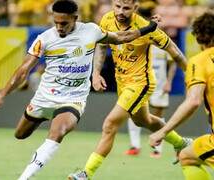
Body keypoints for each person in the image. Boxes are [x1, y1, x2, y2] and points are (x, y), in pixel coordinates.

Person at [0, 0, 158, 179]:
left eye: (64, 23)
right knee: (20, 134)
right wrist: (1, 96)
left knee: (57, 132)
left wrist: (149, 27)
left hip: (73, 99)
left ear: (75, 18)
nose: (59, 27)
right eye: (56, 22)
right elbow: (23, 71)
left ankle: (24, 177)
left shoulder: (91, 31)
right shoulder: (45, 39)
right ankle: (41, 117)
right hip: (44, 97)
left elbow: (121, 37)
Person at [68, 0, 191, 179]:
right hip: (122, 82)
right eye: (117, 6)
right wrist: (95, 73)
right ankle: (181, 143)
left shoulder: (147, 28)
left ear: (135, 8)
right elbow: (102, 46)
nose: (120, 12)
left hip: (141, 82)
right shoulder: (107, 20)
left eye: (126, 8)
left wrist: (194, 79)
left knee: (109, 124)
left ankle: (86, 173)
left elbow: (176, 53)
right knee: (145, 121)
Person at [149, 11, 214, 180]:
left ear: (199, 36)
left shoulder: (200, 61)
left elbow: (193, 101)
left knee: (186, 157)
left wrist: (163, 131)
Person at [124, 3, 177, 158]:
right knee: (133, 112)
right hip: (140, 83)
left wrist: (169, 81)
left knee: (157, 115)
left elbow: (173, 62)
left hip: (160, 85)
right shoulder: (136, 39)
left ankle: (157, 149)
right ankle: (134, 145)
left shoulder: (161, 40)